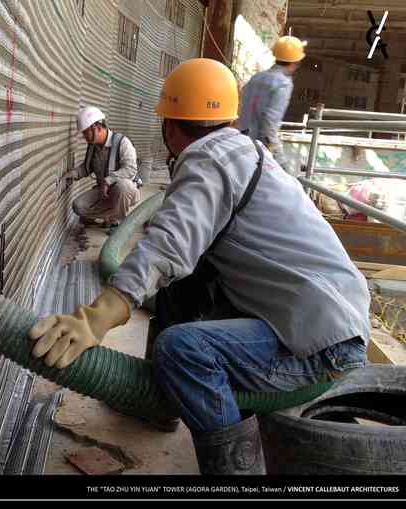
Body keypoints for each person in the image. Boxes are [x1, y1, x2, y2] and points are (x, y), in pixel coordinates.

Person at [29, 58, 370, 475]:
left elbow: (167, 244)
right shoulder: (240, 149)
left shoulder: (209, 160)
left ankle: (236, 475)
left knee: (184, 350)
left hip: (320, 341)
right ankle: (159, 404)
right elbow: (181, 250)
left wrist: (97, 316)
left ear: (170, 126)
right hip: (321, 316)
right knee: (182, 287)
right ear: (228, 116)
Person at [238, 36, 307, 175]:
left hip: (239, 144)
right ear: (295, 62)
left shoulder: (256, 77)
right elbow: (269, 126)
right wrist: (281, 163)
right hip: (256, 154)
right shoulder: (283, 84)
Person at [64, 106, 140, 232]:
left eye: (85, 132)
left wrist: (108, 180)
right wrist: (72, 174)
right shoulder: (93, 146)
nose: (84, 137)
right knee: (78, 206)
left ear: (97, 128)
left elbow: (131, 169)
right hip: (104, 192)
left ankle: (118, 222)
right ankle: (109, 216)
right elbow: (87, 168)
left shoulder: (122, 142)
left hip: (125, 192)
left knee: (124, 187)